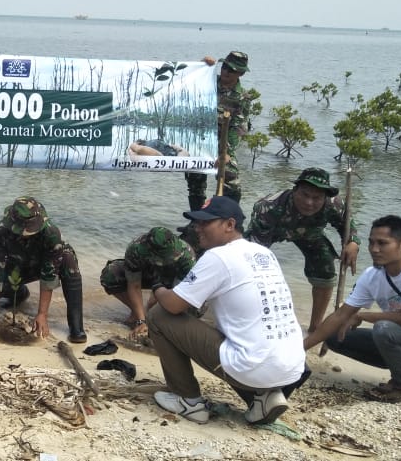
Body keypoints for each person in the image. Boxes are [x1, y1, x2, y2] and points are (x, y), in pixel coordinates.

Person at [148, 196, 305, 425]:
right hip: (292, 367)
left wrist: (158, 288)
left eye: (205, 223)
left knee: (159, 316)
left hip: (253, 368)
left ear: (230, 225)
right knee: (239, 329)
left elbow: (173, 305)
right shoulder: (264, 253)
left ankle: (189, 401)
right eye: (197, 222)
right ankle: (265, 397)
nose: (197, 228)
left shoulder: (219, 256)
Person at [304, 215, 401, 402]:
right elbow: (341, 314)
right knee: (334, 336)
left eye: (382, 243)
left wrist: (362, 315)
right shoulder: (372, 275)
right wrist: (299, 350)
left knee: (383, 327)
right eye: (371, 243)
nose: (374, 249)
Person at [245, 167, 360, 333]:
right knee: (250, 267)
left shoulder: (333, 204)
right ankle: (252, 316)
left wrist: (352, 243)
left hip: (310, 234)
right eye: (305, 195)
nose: (309, 203)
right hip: (273, 231)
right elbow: (256, 250)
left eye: (316, 198)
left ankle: (315, 328)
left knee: (326, 270)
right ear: (294, 190)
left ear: (325, 197)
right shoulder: (268, 207)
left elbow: (347, 226)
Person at [0, 197, 87, 343]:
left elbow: (49, 275)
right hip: (17, 267)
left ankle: (77, 327)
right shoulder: (0, 232)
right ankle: (19, 293)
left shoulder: (51, 233)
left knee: (68, 259)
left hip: (42, 264)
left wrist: (42, 314)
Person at [184, 51, 254, 209]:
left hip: (223, 144)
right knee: (195, 182)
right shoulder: (207, 82)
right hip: (198, 140)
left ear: (241, 73)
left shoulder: (242, 97)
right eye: (225, 67)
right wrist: (201, 65)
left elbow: (238, 128)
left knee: (232, 183)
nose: (226, 72)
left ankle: (223, 218)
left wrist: (226, 152)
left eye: (232, 70)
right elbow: (187, 80)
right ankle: (196, 221)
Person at [100, 226, 196, 339]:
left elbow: (182, 294)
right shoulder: (136, 248)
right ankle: (139, 315)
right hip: (149, 273)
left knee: (196, 307)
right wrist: (141, 320)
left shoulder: (187, 256)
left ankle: (161, 320)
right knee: (111, 274)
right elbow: (134, 285)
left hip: (173, 280)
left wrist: (157, 307)